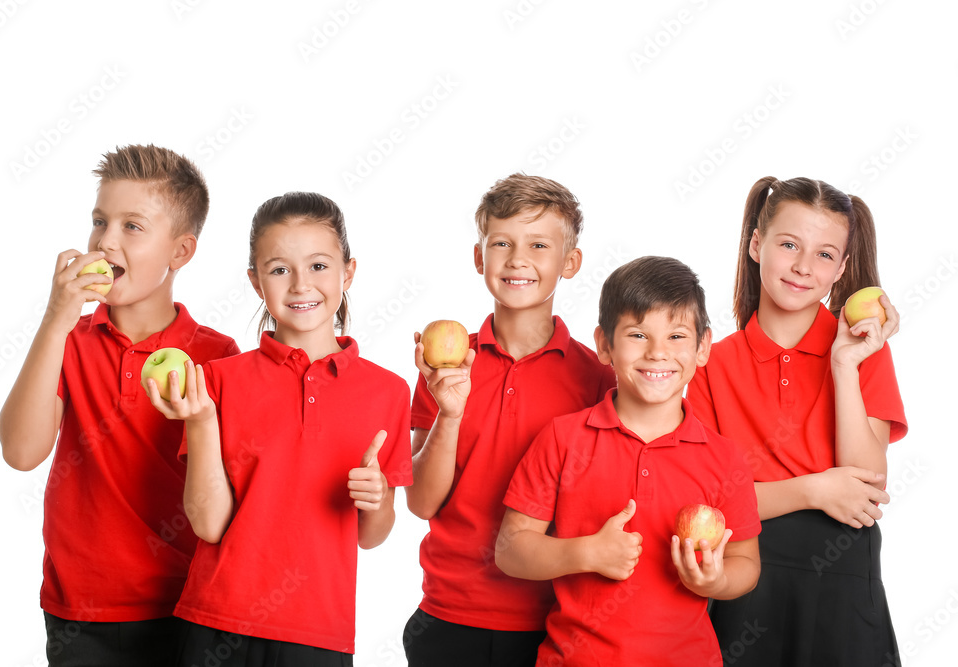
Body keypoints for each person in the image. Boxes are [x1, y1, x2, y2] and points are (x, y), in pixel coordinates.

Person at [0, 145, 239, 665]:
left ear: (181, 251)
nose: (104, 241)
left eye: (132, 226)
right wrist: (56, 320)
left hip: (185, 607)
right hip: (78, 613)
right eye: (99, 221)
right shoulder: (68, 341)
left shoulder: (218, 356)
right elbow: (20, 451)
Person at [147, 192, 411, 667]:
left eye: (318, 266)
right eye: (279, 269)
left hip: (319, 635)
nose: (300, 285)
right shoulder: (217, 380)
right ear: (255, 282)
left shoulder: (387, 391)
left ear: (347, 272)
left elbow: (372, 535)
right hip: (215, 621)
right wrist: (203, 419)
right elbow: (209, 524)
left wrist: (378, 497)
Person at [497, 256, 762, 667]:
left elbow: (746, 563)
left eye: (676, 336)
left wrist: (717, 580)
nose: (658, 353)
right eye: (638, 335)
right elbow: (510, 550)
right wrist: (587, 554)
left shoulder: (725, 458)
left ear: (703, 346)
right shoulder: (562, 438)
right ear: (605, 344)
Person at [686, 176, 908, 666]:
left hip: (844, 581)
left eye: (825, 254)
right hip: (745, 577)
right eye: (789, 244)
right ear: (756, 244)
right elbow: (708, 505)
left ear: (842, 269)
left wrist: (844, 365)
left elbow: (867, 484)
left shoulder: (864, 353)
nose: (804, 267)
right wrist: (815, 489)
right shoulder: (711, 363)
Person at [404, 174, 616, 667]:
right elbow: (420, 501)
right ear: (480, 257)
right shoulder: (445, 369)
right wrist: (449, 413)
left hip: (558, 619)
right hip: (450, 614)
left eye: (539, 244)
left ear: (570, 263)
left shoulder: (598, 379)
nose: (518, 259)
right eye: (501, 243)